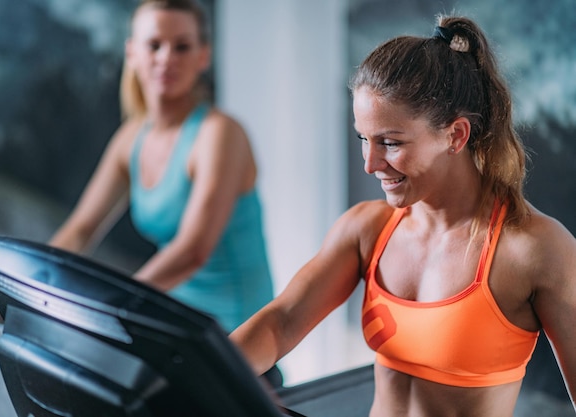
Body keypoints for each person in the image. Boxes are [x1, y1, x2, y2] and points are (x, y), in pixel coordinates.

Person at [230, 15, 576, 416]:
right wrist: (197, 379)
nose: (371, 163)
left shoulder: (534, 250)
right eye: (364, 138)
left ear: (456, 135)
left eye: (390, 143)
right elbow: (282, 322)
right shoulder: (366, 228)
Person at [49, 0, 275, 338]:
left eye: (182, 46)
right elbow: (80, 230)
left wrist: (113, 306)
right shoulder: (131, 139)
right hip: (174, 322)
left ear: (203, 56)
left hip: (238, 336)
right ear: (132, 53)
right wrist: (31, 282)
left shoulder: (219, 133)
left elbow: (192, 251)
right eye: (154, 45)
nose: (167, 57)